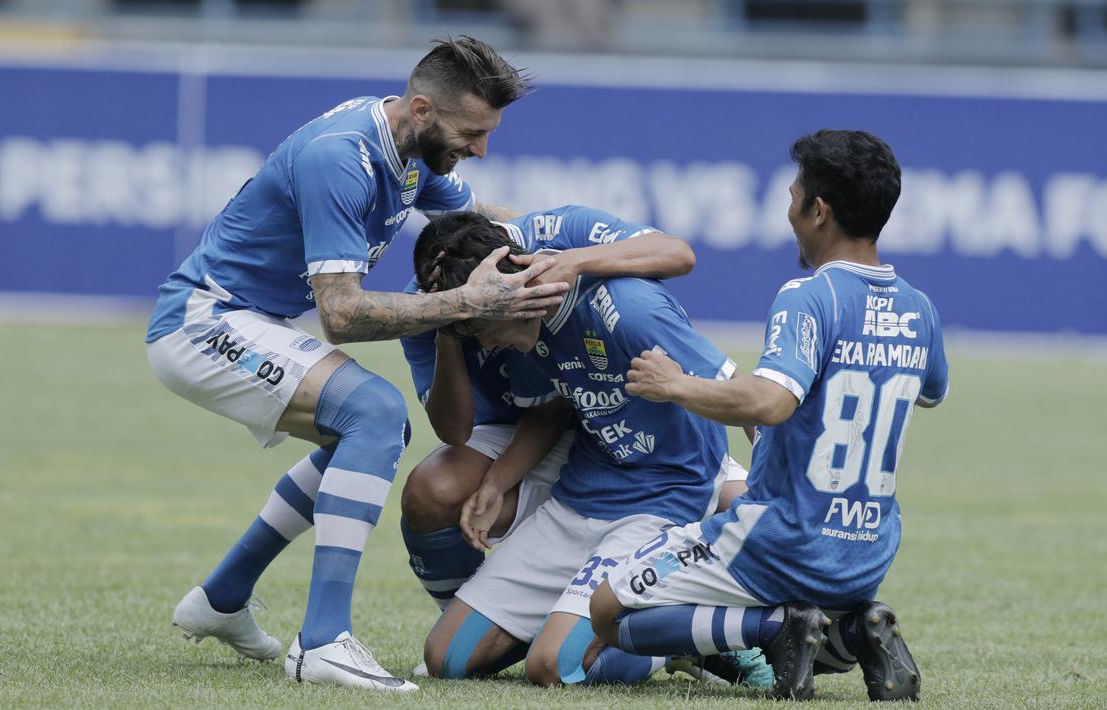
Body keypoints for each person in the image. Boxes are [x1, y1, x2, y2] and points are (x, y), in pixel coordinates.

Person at [145, 36, 565, 692]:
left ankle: (222, 599)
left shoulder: (410, 144)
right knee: (374, 409)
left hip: (249, 319)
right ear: (422, 109)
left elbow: (480, 215)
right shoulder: (340, 158)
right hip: (203, 322)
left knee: (372, 430)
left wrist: (591, 243)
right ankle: (322, 643)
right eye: (473, 132)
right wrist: (466, 301)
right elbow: (341, 314)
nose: (481, 149)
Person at [588, 129, 948, 701]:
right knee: (809, 628)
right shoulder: (920, 308)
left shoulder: (811, 295)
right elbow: (928, 392)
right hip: (866, 552)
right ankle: (855, 629)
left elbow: (769, 403)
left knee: (608, 616)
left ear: (819, 210)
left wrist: (675, 384)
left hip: (782, 540)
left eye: (793, 196)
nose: (789, 212)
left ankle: (776, 628)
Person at [408, 219, 758, 688]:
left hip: (663, 500)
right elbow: (550, 411)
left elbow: (747, 396)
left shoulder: (629, 309)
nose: (484, 344)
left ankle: (674, 633)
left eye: (484, 326)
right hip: (581, 493)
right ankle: (587, 620)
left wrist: (779, 491)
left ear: (521, 282)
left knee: (550, 667)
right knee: (445, 658)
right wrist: (496, 484)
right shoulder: (526, 332)